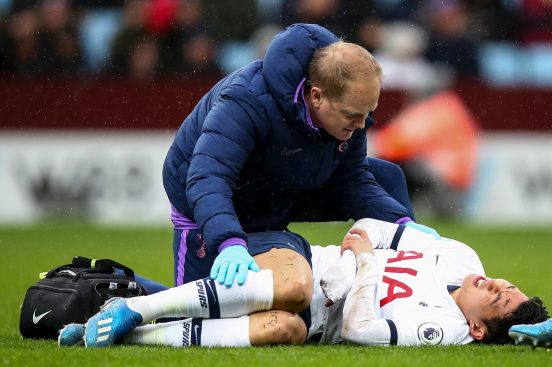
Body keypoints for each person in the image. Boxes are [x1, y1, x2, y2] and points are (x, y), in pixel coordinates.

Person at [162, 23, 436, 299]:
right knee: (192, 309)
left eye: (368, 113)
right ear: (316, 96)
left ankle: (397, 288)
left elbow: (352, 178)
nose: (362, 124)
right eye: (354, 115)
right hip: (209, 196)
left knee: (387, 178)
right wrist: (229, 241)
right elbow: (209, 176)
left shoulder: (349, 106)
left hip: (280, 187)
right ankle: (131, 289)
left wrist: (402, 226)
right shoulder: (246, 100)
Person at [60, 219, 547, 347]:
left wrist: (369, 266)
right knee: (293, 290)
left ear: (478, 329)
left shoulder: (445, 330)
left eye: (498, 298)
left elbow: (359, 330)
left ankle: (121, 330)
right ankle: (136, 308)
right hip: (302, 262)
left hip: (312, 319)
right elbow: (367, 228)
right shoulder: (460, 255)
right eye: (507, 284)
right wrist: (364, 254)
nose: (495, 283)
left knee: (285, 331)